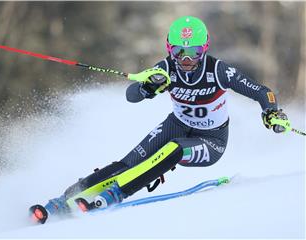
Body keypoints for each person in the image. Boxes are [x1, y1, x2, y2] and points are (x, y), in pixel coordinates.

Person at [29, 16, 289, 224]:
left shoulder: (218, 71)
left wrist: (272, 112)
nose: (186, 60)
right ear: (169, 50)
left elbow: (261, 91)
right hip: (176, 124)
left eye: (194, 53)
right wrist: (147, 88)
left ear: (205, 49)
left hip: (211, 140)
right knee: (127, 162)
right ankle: (63, 200)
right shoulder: (166, 68)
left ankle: (117, 193)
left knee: (173, 149)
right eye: (179, 52)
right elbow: (132, 96)